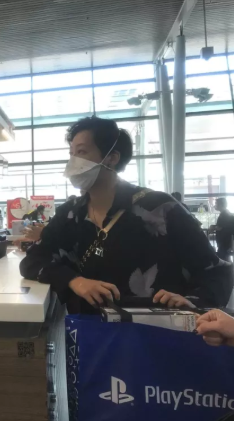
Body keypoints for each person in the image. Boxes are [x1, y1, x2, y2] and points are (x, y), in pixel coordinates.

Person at [19, 116, 232, 313]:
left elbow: (216, 272)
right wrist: (75, 281)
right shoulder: (70, 213)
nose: (73, 162)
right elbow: (33, 260)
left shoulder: (160, 208)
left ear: (112, 158)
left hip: (157, 330)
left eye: (81, 152)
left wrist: (192, 302)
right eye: (71, 153)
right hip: (92, 332)